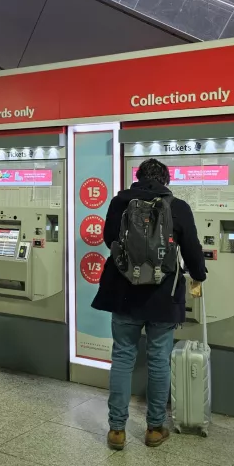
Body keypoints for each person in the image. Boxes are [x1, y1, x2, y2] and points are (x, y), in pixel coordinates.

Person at [92, 158, 206, 450]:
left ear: (138, 177)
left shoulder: (120, 202)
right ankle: (155, 428)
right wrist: (198, 276)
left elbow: (109, 240)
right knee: (158, 360)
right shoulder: (177, 207)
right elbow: (192, 248)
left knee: (122, 358)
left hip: (124, 293)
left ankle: (117, 430)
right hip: (162, 295)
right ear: (166, 180)